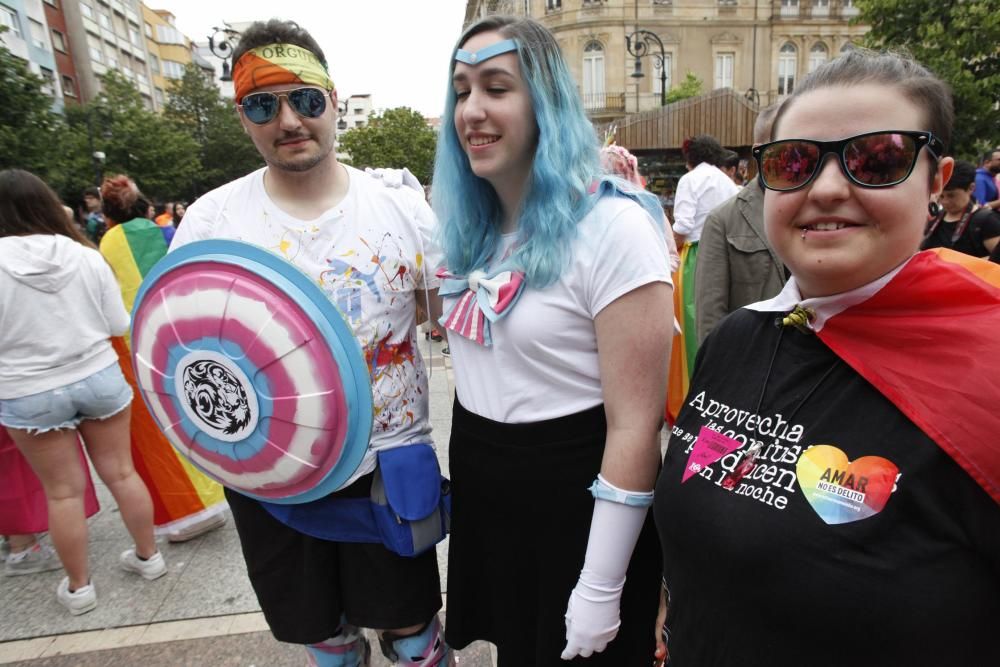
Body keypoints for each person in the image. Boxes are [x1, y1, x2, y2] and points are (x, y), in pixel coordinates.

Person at [653, 49, 1000, 665]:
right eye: (794, 163)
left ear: (936, 181)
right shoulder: (736, 339)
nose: (829, 187)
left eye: (880, 159)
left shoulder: (989, 369)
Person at [169, 20, 448, 667]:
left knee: (413, 633)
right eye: (263, 104)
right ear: (243, 116)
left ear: (334, 100)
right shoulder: (212, 220)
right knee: (323, 638)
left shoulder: (402, 209)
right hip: (271, 481)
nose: (289, 119)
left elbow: (464, 321)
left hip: (385, 468)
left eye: (306, 99)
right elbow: (180, 347)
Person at [433, 16, 672, 666]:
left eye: (496, 87)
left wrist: (601, 582)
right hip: (490, 492)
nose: (472, 111)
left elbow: (634, 426)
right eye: (460, 90)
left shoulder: (615, 227)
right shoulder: (462, 230)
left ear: (545, 99)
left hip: (580, 505)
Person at [0, 169, 166, 616]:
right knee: (122, 473)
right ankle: (149, 558)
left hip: (28, 388)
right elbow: (118, 324)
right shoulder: (84, 255)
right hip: (98, 375)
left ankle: (80, 588)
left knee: (62, 493)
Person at [98, 175, 228, 543]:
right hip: (183, 332)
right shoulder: (165, 232)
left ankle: (183, 511)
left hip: (133, 344)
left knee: (158, 428)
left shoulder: (106, 244)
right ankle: (214, 496)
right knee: (200, 411)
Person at [695, 105, 786, 342]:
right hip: (754, 366)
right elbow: (710, 319)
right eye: (786, 147)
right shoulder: (723, 221)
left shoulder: (820, 211)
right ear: (760, 151)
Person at [671, 135, 740, 378]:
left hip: (697, 253)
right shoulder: (726, 181)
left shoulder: (690, 180)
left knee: (693, 320)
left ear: (689, 158)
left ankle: (693, 381)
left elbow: (683, 224)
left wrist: (668, 248)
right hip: (728, 250)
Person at [921, 159, 1000, 259]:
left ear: (971, 188)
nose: (945, 201)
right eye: (941, 196)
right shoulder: (935, 217)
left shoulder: (987, 221)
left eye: (951, 196)